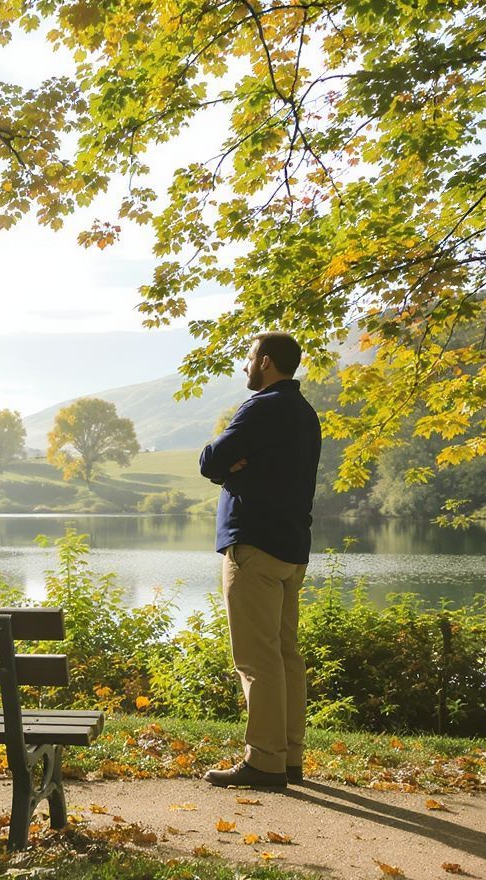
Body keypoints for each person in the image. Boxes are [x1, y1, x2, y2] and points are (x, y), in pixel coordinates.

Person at [198, 332, 321, 788]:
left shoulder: (261, 406)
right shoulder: (305, 414)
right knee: (286, 653)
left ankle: (264, 761)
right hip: (291, 547)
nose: (245, 366)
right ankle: (288, 756)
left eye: (249, 358)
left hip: (253, 545)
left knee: (256, 658)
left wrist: (228, 465)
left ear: (265, 363)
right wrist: (233, 464)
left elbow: (211, 459)